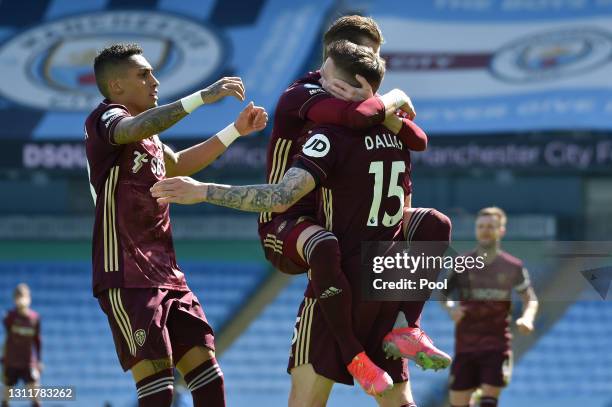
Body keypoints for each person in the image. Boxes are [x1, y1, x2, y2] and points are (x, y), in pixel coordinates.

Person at [152, 39, 424, 407]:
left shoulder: (329, 134)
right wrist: (391, 99)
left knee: (307, 399)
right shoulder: (397, 133)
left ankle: (355, 350)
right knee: (399, 400)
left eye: (326, 75)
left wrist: (203, 191)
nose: (317, 80)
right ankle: (409, 325)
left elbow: (281, 197)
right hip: (388, 277)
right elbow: (415, 152)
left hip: (338, 278)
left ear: (349, 83)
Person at [85, 43, 267, 407]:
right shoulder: (105, 119)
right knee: (159, 386)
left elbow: (178, 163)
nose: (155, 81)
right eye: (143, 74)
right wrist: (203, 96)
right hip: (126, 274)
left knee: (209, 377)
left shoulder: (148, 136)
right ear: (117, 86)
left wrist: (234, 130)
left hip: (168, 273)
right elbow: (134, 126)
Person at [444, 207, 539, 407]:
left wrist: (527, 318)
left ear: (501, 230)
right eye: (481, 226)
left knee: (488, 402)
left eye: (490, 226)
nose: (485, 230)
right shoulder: (462, 263)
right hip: (465, 346)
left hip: (496, 346)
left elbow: (530, 298)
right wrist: (452, 308)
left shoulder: (513, 266)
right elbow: (443, 293)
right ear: (476, 230)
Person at [2, 284, 42, 407]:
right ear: (14, 299)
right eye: (18, 296)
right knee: (5, 401)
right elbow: (7, 338)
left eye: (23, 296)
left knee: (36, 401)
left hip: (28, 363)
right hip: (11, 363)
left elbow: (37, 340)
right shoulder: (9, 317)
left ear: (29, 298)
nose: (21, 299)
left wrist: (39, 361)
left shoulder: (35, 318)